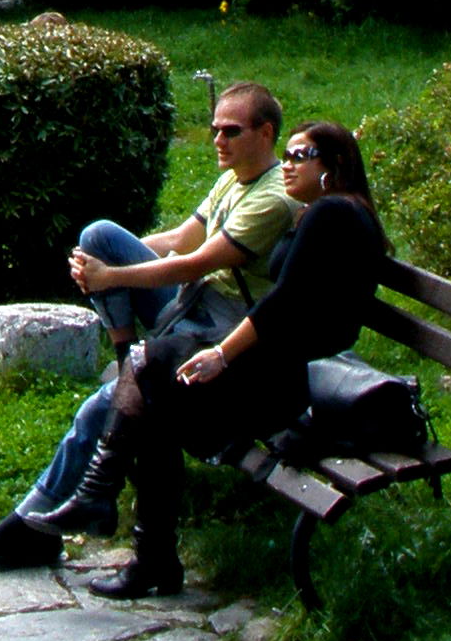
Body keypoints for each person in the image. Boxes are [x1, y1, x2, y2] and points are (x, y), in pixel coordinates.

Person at [0, 82, 296, 571]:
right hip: (192, 307)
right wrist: (98, 262)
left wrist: (113, 278)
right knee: (100, 236)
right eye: (214, 129)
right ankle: (125, 357)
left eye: (231, 131)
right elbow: (176, 240)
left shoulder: (272, 198)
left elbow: (191, 264)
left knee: (102, 406)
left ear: (266, 132)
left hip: (226, 331)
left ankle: (28, 528)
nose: (218, 140)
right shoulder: (234, 178)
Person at [84, 121, 390, 600]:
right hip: (282, 374)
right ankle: (132, 534)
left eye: (300, 156)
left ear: (333, 166)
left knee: (151, 370)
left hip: (284, 390)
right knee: (155, 382)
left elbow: (287, 302)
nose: (287, 165)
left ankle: (122, 523)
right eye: (285, 155)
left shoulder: (330, 214)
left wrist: (221, 355)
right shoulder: (332, 213)